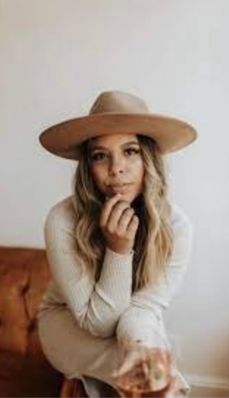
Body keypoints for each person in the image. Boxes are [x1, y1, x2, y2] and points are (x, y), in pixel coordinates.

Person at [36, 90, 197, 397]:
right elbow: (95, 325)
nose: (116, 168)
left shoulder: (177, 227)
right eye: (100, 155)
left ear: (149, 158)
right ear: (88, 166)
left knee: (144, 355)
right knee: (138, 367)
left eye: (130, 151)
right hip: (67, 323)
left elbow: (143, 309)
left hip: (134, 321)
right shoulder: (62, 220)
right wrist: (118, 251)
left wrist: (141, 349)